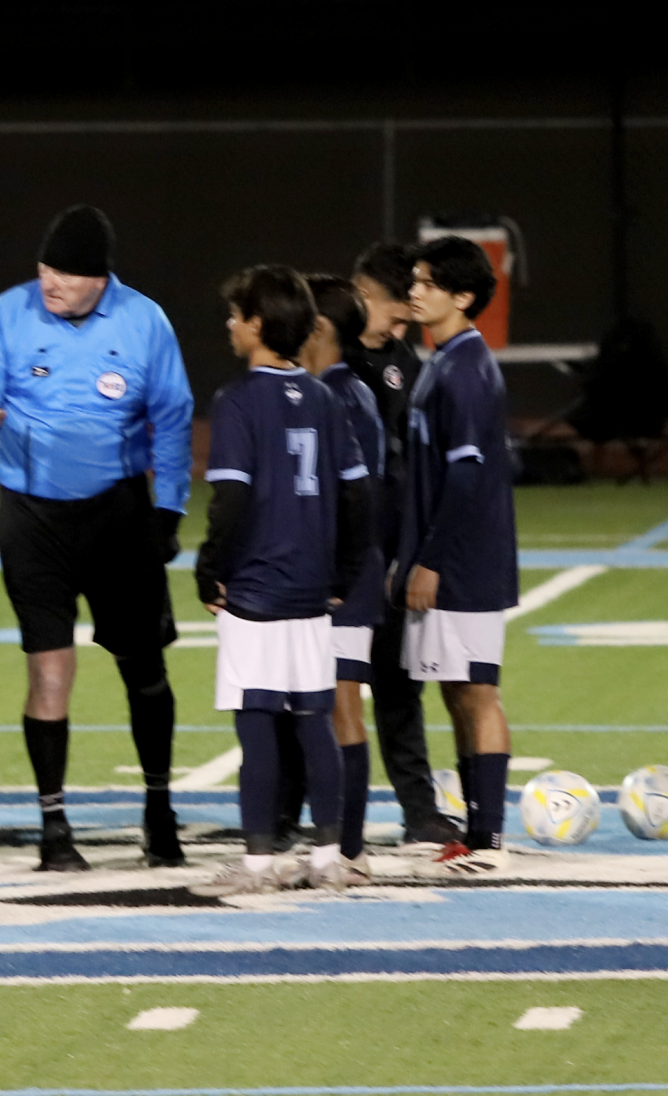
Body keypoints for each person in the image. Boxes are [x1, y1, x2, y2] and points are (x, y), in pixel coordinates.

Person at [0, 205, 194, 871]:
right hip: (32, 519)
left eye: (65, 271)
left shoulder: (144, 321)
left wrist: (166, 513)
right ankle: (54, 828)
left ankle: (159, 809)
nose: (49, 280)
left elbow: (172, 418)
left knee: (144, 668)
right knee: (48, 670)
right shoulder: (8, 313)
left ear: (99, 279)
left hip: (118, 515)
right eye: (44, 266)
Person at [192, 265, 372, 896]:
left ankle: (259, 865)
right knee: (312, 722)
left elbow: (232, 500)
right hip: (311, 592)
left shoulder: (238, 400)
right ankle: (328, 859)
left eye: (237, 315)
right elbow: (357, 498)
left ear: (259, 324)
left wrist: (209, 567)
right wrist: (345, 570)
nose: (230, 325)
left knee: (257, 721)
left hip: (257, 589)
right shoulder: (325, 398)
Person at [396, 235, 518, 875]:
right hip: (445, 559)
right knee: (454, 693)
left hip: (466, 565)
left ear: (462, 296)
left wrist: (432, 559)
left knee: (477, 694)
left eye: (426, 282)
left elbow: (466, 480)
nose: (414, 291)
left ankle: (490, 840)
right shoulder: (443, 361)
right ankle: (473, 833)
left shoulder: (468, 370)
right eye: (414, 280)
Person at [349, 243, 460, 845]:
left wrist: (415, 552)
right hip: (336, 563)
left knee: (399, 688)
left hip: (391, 554)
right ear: (363, 295)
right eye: (394, 313)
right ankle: (300, 816)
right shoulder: (325, 358)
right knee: (316, 693)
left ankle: (419, 812)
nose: (401, 325)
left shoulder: (406, 361)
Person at [298, 274, 385, 884]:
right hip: (336, 572)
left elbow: (354, 497)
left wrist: (335, 571)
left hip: (342, 577)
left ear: (319, 329)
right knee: (327, 707)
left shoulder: (342, 396)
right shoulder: (337, 389)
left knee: (341, 707)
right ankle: (337, 840)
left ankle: (349, 847)